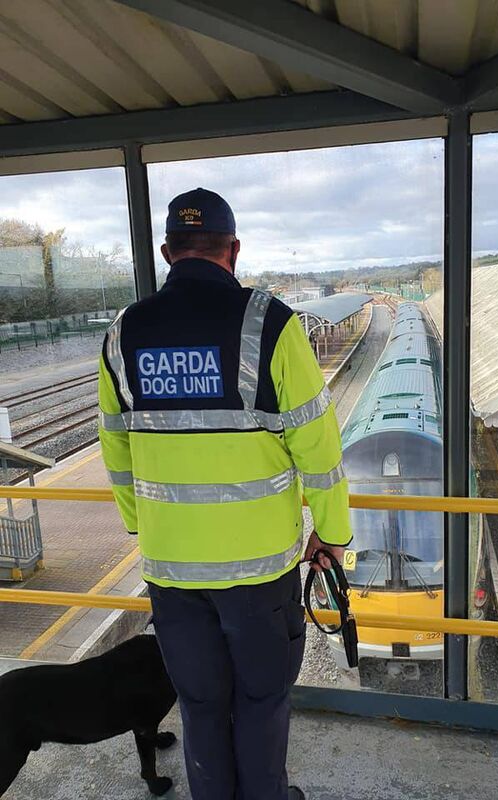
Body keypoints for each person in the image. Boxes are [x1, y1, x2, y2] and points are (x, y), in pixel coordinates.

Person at [98, 188, 351, 800]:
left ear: (166, 252)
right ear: (233, 250)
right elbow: (318, 451)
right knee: (262, 699)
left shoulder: (122, 333)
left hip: (172, 573)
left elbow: (117, 454)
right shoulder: (271, 323)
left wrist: (143, 526)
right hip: (259, 574)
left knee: (201, 703)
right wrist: (333, 535)